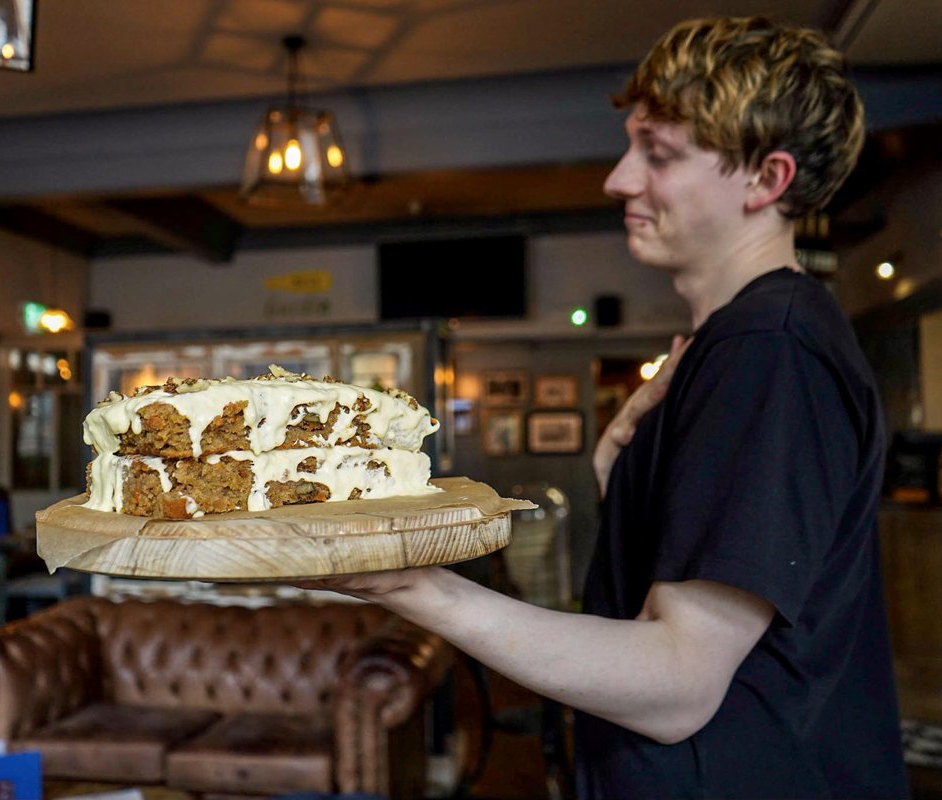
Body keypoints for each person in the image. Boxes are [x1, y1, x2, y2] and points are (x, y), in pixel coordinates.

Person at [303, 16, 908, 799]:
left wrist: (415, 586)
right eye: (631, 147)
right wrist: (621, 479)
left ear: (766, 180)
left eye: (658, 153)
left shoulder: (770, 349)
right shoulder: (739, 343)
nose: (618, 180)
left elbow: (679, 685)